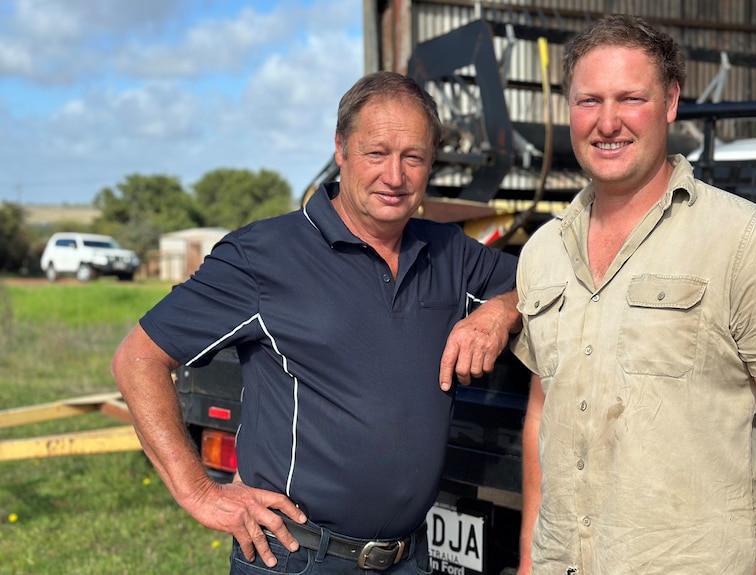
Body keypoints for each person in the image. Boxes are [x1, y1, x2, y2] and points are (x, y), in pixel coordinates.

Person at [112, 70, 521, 574]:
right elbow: (138, 357)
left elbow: (546, 282)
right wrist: (198, 490)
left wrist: (501, 309)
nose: (394, 177)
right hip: (298, 556)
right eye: (376, 153)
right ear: (341, 150)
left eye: (412, 157)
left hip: (410, 558)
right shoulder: (264, 255)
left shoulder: (450, 252)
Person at [511, 14, 756, 575]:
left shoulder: (747, 242)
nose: (607, 122)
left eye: (630, 98)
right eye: (589, 100)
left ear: (670, 102)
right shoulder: (542, 251)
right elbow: (541, 418)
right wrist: (528, 562)